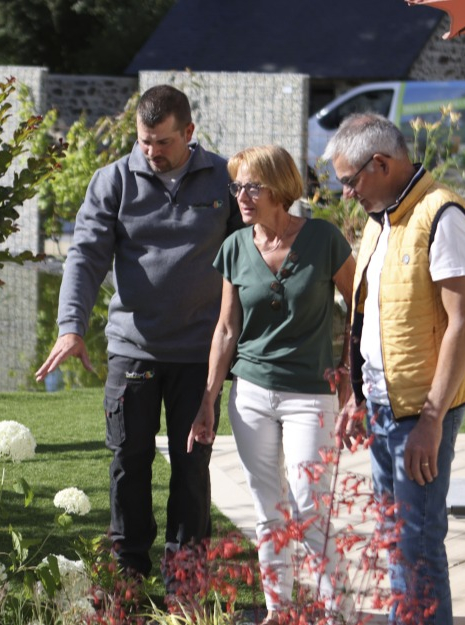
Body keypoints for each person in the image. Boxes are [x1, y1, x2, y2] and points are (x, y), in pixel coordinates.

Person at [34, 85, 242, 580]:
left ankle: (186, 576)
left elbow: (253, 251)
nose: (151, 152)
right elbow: (84, 256)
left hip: (200, 353)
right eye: (144, 141)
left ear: (188, 133)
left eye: (163, 142)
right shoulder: (113, 181)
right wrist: (70, 327)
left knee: (192, 467)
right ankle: (127, 574)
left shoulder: (224, 179)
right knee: (130, 460)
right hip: (134, 349)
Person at [324, 113, 465, 625]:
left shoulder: (443, 218)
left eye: (350, 182)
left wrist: (432, 420)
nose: (346, 194)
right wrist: (356, 392)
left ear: (381, 164)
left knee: (415, 545)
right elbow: (370, 311)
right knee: (396, 537)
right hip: (383, 403)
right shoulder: (385, 218)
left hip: (420, 412)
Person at [187, 144, 357, 623]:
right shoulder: (235, 248)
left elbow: (359, 307)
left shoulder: (324, 240)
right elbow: (225, 330)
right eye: (237, 186)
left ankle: (334, 613)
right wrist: (208, 400)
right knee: (268, 509)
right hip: (252, 396)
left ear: (281, 189)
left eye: (252, 186)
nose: (241, 196)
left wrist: (347, 373)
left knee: (308, 507)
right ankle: (279, 611)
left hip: (311, 396)